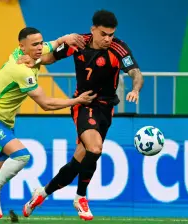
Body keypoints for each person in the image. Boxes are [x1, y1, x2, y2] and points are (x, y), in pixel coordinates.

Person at [0, 27, 96, 223]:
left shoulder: (29, 53)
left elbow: (53, 44)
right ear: (22, 47)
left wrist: (65, 37)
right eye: (35, 45)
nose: (40, 48)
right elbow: (46, 104)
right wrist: (77, 100)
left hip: (2, 121)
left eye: (40, 43)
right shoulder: (21, 70)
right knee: (22, 156)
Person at [20, 10, 144, 221]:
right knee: (95, 148)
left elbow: (136, 73)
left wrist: (135, 89)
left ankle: (41, 194)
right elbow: (51, 57)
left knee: (80, 160)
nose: (108, 39)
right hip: (84, 103)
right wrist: (36, 62)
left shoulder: (118, 48)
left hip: (106, 108)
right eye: (103, 34)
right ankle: (80, 197)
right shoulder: (78, 42)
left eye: (111, 34)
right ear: (93, 29)